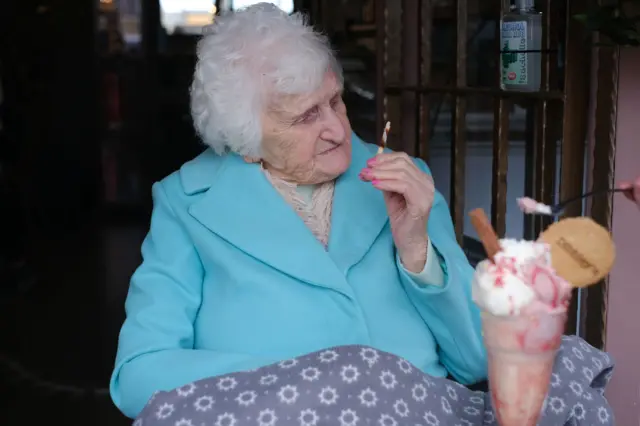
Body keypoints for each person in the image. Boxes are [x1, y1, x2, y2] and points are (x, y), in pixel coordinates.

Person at [110, 4, 615, 424]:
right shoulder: (188, 203)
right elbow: (139, 375)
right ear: (245, 141)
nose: (336, 129)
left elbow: (478, 359)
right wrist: (315, 381)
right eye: (307, 116)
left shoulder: (399, 179)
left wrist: (418, 252)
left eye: (335, 101)